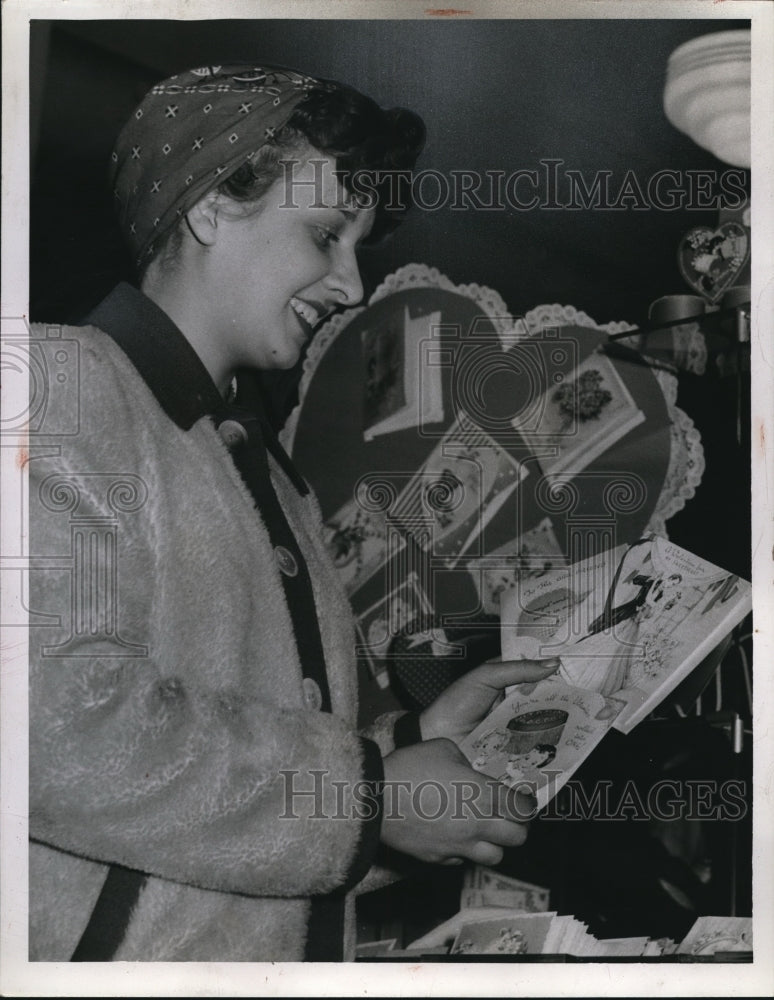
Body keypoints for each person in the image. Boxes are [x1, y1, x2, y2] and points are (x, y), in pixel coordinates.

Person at [28, 64, 558, 963]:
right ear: (206, 207)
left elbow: (279, 776)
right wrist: (369, 797)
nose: (350, 285)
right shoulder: (60, 386)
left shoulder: (271, 481)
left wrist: (411, 748)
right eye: (324, 235)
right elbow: (51, 725)